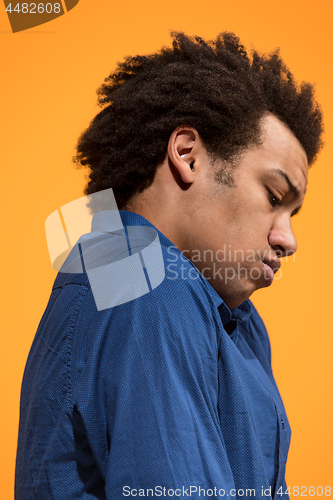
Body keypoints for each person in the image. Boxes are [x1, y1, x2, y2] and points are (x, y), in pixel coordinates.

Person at [15, 32, 323, 500]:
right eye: (274, 198)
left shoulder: (238, 324)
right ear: (187, 155)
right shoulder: (139, 277)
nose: (288, 239)